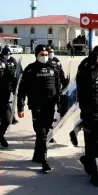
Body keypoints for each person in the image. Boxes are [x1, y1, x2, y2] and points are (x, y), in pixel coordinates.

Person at [17, 44, 62, 173]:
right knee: (41, 132)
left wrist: (59, 103)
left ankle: (37, 155)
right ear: (36, 55)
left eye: (46, 54)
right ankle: (43, 160)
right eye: (42, 54)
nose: (45, 56)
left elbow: (58, 88)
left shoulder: (53, 69)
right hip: (36, 106)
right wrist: (20, 108)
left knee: (45, 132)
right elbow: (22, 91)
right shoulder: (30, 70)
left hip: (50, 106)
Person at [76, 45, 98, 187]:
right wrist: (95, 64)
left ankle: (87, 159)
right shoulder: (85, 69)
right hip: (91, 114)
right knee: (90, 145)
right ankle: (94, 175)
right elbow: (87, 82)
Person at [46, 47, 70, 143]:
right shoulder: (44, 62)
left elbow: (61, 73)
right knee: (49, 113)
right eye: (49, 52)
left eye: (52, 52)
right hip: (48, 92)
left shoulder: (57, 61)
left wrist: (65, 82)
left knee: (58, 112)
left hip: (57, 91)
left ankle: (51, 131)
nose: (51, 53)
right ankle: (48, 133)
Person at [0, 47, 19, 125]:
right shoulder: (0, 61)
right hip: (3, 85)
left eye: (8, 55)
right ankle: (4, 116)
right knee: (5, 102)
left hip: (13, 84)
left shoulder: (13, 60)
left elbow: (18, 71)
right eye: (5, 55)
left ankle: (12, 116)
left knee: (13, 102)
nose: (7, 56)